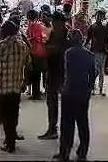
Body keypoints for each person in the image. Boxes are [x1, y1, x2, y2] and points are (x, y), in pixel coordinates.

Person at [54, 30, 97, 162]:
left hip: (69, 91)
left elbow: (63, 71)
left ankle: (64, 152)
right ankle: (82, 152)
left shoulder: (68, 53)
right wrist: (89, 88)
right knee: (83, 123)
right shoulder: (90, 55)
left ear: (71, 40)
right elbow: (94, 73)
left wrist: (61, 87)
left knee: (67, 124)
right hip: (83, 92)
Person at [0, 21, 31, 153]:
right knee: (13, 114)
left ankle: (9, 143)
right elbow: (28, 62)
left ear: (5, 32)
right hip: (16, 85)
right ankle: (10, 139)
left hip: (3, 86)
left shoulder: (2, 44)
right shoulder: (22, 45)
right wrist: (25, 81)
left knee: (6, 116)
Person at [38, 11, 69, 141]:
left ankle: (54, 129)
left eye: (54, 22)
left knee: (54, 102)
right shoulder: (62, 33)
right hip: (58, 71)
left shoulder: (60, 34)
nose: (52, 24)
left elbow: (54, 50)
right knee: (55, 102)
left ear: (58, 22)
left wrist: (47, 47)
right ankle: (55, 129)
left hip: (58, 71)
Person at [86, 9, 108, 97]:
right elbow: (88, 39)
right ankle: (93, 87)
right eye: (99, 15)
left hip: (102, 51)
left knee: (100, 71)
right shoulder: (93, 26)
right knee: (96, 70)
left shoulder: (105, 26)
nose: (100, 17)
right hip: (95, 50)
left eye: (101, 15)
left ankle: (99, 88)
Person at [26, 9, 48, 100]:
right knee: (39, 73)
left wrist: (27, 39)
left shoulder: (32, 25)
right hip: (42, 51)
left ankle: (36, 94)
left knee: (35, 74)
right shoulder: (41, 25)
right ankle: (39, 92)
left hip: (34, 51)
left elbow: (33, 37)